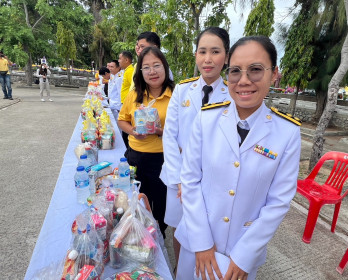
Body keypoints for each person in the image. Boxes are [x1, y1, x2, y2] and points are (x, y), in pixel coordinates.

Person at [175, 36, 302, 280]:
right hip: (196, 242)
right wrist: (201, 243)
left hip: (241, 254)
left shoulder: (286, 132)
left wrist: (245, 255)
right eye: (235, 71)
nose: (244, 81)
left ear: (274, 73)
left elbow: (278, 201)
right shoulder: (207, 119)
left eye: (255, 70)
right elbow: (189, 180)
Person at [160, 26, 231, 269]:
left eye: (215, 51)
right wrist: (180, 179)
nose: (208, 59)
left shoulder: (232, 95)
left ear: (227, 56)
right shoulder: (182, 90)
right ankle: (182, 270)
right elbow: (170, 135)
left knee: (206, 231)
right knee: (180, 229)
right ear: (196, 55)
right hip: (179, 176)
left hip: (212, 179)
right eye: (202, 52)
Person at [118, 47, 174, 236]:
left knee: (161, 202)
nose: (152, 71)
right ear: (140, 72)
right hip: (136, 157)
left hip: (163, 159)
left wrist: (159, 131)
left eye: (157, 65)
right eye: (146, 67)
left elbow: (184, 132)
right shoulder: (134, 94)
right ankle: (138, 233)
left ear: (165, 68)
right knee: (137, 198)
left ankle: (158, 234)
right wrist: (133, 130)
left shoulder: (176, 95)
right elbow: (122, 120)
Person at [118, 51, 134, 149]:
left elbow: (133, 89)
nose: (119, 61)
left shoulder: (130, 71)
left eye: (120, 59)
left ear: (126, 60)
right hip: (124, 104)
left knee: (126, 133)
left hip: (129, 106)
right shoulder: (127, 71)